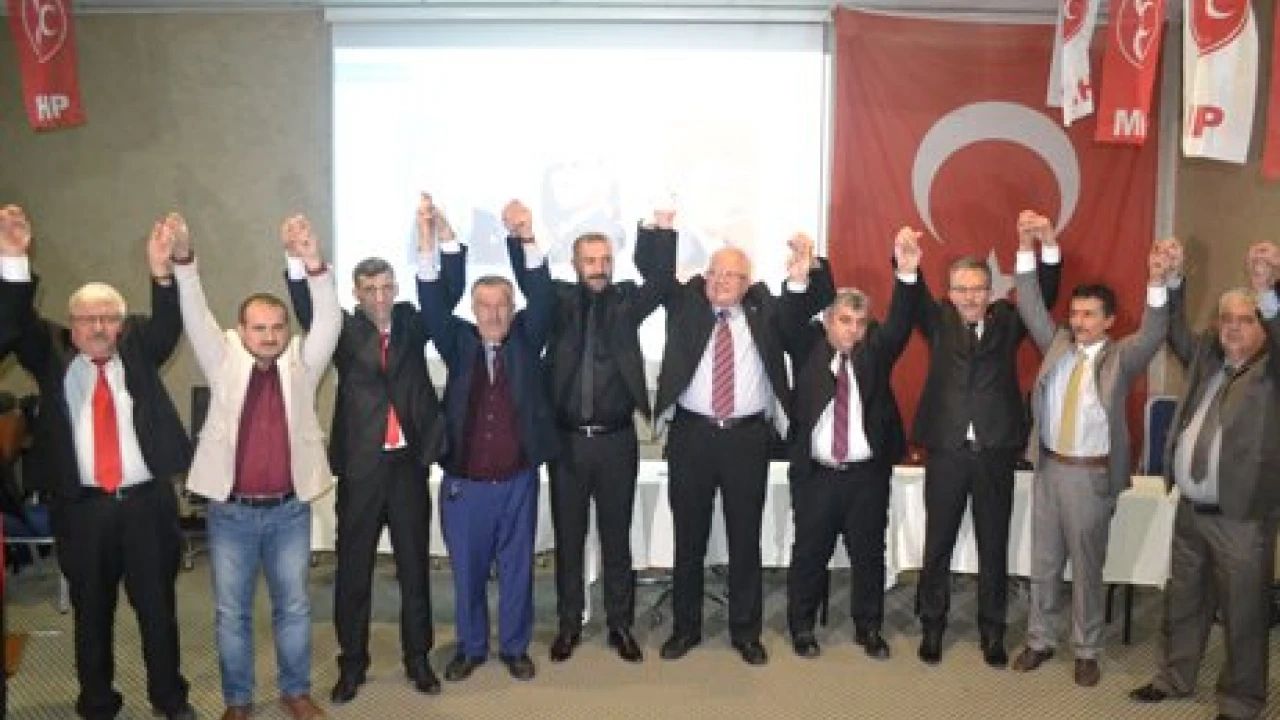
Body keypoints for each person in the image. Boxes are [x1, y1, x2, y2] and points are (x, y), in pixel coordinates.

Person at [0, 204, 196, 719]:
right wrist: (14, 258)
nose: (99, 327)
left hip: (146, 506)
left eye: (109, 317)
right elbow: (12, 323)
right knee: (91, 614)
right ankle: (97, 701)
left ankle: (170, 699)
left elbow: (169, 321)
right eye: (87, 319)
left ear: (122, 324)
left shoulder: (140, 348)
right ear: (71, 325)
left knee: (158, 611)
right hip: (82, 509)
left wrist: (161, 272)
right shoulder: (49, 353)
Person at [171, 213, 340, 720]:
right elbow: (195, 312)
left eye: (277, 327)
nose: (269, 336)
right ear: (240, 331)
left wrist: (314, 264)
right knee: (231, 614)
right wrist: (183, 261)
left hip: (288, 511)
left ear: (287, 331)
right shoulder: (221, 360)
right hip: (231, 513)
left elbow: (329, 321)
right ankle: (238, 701)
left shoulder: (302, 364)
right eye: (259, 328)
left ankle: (295, 692)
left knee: (294, 608)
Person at [286, 193, 449, 705]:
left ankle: (418, 659)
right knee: (353, 572)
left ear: (395, 288)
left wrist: (429, 244)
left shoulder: (412, 322)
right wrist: (299, 259)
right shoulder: (341, 329)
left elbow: (442, 294)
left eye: (386, 288)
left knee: (414, 569)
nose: (380, 297)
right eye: (369, 290)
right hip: (360, 469)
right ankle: (352, 664)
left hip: (407, 467)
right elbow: (307, 306)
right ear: (355, 294)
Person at [654, 232, 833, 666]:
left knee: (745, 539)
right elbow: (657, 275)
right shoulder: (687, 306)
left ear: (747, 282)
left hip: (746, 439)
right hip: (692, 436)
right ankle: (685, 628)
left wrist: (804, 273)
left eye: (731, 275)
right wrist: (660, 229)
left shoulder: (765, 309)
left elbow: (808, 308)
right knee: (689, 539)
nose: (720, 281)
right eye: (714, 273)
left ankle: (746, 632)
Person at [1009, 213, 1171, 687]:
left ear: (1109, 321)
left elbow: (1155, 332)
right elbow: (1030, 304)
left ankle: (1087, 649)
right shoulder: (1056, 344)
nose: (1079, 322)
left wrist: (1157, 281)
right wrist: (1025, 247)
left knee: (1085, 567)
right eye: (1075, 313)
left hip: (1091, 476)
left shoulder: (1123, 356)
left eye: (1089, 315)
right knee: (1043, 563)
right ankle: (1040, 639)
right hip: (1049, 470)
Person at [509, 206, 676, 663]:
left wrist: (662, 231)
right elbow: (532, 283)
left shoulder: (626, 302)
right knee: (569, 538)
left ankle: (620, 625)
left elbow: (661, 282)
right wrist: (526, 237)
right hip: (566, 443)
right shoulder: (559, 300)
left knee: (616, 539)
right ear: (575, 264)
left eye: (605, 260)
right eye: (590, 261)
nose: (599, 269)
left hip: (617, 441)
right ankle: (569, 624)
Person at [1129, 241, 1280, 720]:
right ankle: (1174, 678)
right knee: (1184, 601)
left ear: (1264, 326)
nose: (1233, 327)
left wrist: (1268, 289)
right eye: (1226, 319)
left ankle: (1241, 702)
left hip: (1243, 518)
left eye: (1246, 319)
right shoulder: (1208, 360)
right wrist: (1173, 279)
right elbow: (1176, 330)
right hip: (1191, 510)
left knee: (1243, 614)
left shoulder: (1273, 370)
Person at [912, 216, 1062, 667]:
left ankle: (992, 632)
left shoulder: (1008, 321)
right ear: (949, 292)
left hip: (995, 453)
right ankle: (932, 626)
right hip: (947, 452)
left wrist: (1043, 247)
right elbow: (908, 297)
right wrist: (906, 265)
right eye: (961, 289)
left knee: (993, 546)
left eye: (978, 289)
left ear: (991, 291)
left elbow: (1044, 296)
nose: (970, 297)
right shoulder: (938, 320)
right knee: (937, 544)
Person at [417, 199, 555, 683]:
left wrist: (527, 236)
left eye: (502, 306)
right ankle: (471, 648)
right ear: (472, 310)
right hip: (465, 486)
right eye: (485, 306)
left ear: (513, 310)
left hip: (518, 482)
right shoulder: (456, 342)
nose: (494, 314)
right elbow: (431, 301)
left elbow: (545, 295)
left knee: (518, 570)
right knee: (467, 572)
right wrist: (433, 240)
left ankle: (515, 647)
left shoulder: (526, 339)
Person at [785, 227, 923, 661]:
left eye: (861, 323)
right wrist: (799, 280)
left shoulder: (874, 353)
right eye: (845, 320)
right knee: (809, 554)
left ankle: (869, 628)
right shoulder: (807, 349)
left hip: (866, 477)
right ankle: (802, 627)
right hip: (818, 476)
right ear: (828, 321)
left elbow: (900, 324)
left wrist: (907, 272)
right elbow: (789, 319)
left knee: (868, 557)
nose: (853, 330)